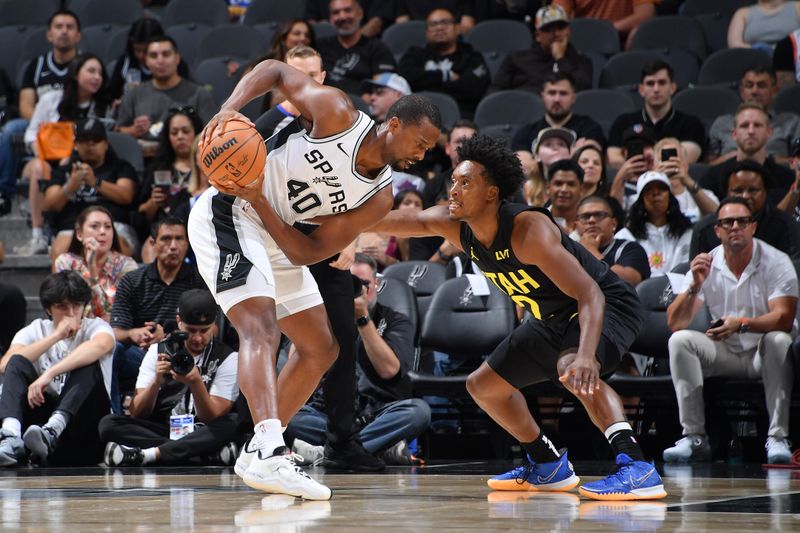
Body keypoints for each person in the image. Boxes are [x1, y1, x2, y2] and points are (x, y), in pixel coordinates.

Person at [187, 56, 441, 499]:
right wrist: (229, 109)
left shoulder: (379, 198)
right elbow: (273, 70)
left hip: (275, 228)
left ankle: (255, 452)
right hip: (228, 211)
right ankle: (271, 450)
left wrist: (263, 203)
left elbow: (305, 251)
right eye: (420, 142)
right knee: (259, 326)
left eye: (429, 150)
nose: (423, 155)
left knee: (321, 348)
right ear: (395, 124)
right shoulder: (337, 112)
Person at [368, 134, 666, 501]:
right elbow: (395, 219)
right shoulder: (454, 224)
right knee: (483, 386)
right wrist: (328, 220)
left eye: (466, 183)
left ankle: (637, 467)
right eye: (453, 182)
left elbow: (589, 293)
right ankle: (547, 463)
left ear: (491, 193)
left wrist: (588, 354)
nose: (454, 190)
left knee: (573, 368)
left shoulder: (528, 231)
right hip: (550, 318)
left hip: (607, 304)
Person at [665, 197, 797, 464]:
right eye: (727, 222)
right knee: (680, 340)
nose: (735, 226)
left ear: (753, 227)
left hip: (764, 353)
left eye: (742, 221)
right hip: (726, 352)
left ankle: (777, 437)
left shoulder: (777, 261)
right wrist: (694, 286)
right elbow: (675, 322)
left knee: (779, 339)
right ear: (717, 230)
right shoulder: (707, 263)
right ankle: (694, 437)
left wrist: (742, 323)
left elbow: (784, 318)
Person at [285, 254, 431, 464]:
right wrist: (317, 316)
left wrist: (362, 318)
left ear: (377, 284)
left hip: (379, 411)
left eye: (364, 283)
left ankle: (327, 453)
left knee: (418, 412)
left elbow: (389, 370)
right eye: (349, 283)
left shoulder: (395, 320)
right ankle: (374, 448)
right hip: (330, 416)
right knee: (291, 417)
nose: (356, 289)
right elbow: (299, 367)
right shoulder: (322, 319)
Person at [99, 289, 240, 467]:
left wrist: (196, 382)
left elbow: (211, 418)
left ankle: (151, 454)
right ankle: (203, 455)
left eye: (204, 330)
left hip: (202, 429)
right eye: (191, 330)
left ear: (214, 326)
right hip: (166, 429)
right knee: (108, 424)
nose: (197, 338)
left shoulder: (227, 357)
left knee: (232, 423)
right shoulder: (158, 351)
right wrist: (156, 382)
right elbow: (137, 413)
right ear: (179, 322)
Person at [0, 271, 115, 467]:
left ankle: (53, 431)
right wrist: (55, 336)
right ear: (48, 309)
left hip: (83, 428)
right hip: (36, 433)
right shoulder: (36, 330)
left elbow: (101, 346)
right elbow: (6, 364)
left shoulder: (96, 327)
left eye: (76, 306)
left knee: (87, 361)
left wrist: (49, 374)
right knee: (18, 361)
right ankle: (11, 437)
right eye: (62, 306)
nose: (70, 313)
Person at [17, 54, 115, 257]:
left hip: (83, 162)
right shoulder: (50, 100)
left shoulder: (104, 106)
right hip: (47, 160)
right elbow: (30, 133)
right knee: (38, 167)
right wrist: (46, 154)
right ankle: (38, 235)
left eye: (100, 73)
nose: (96, 77)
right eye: (91, 71)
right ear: (76, 73)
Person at [110, 217, 205, 413]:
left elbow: (211, 329)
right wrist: (134, 334)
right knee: (112, 349)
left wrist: (166, 338)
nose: (173, 246)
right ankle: (116, 413)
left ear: (187, 244)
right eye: (166, 239)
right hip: (140, 355)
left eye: (179, 239)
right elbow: (116, 331)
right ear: (152, 244)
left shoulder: (199, 279)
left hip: (186, 353)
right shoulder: (132, 280)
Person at [0, 9, 81, 213]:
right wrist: (46, 125)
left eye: (69, 27)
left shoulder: (84, 65)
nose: (64, 32)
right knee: (10, 129)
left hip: (73, 126)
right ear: (49, 34)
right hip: (41, 122)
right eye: (59, 27)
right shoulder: (36, 66)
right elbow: (25, 105)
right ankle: (4, 191)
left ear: (78, 36)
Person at [42, 119, 139, 260]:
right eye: (84, 140)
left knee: (117, 248)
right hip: (73, 227)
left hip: (113, 225)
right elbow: (50, 205)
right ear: (76, 145)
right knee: (60, 253)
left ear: (106, 144)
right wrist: (71, 185)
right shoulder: (63, 172)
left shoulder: (120, 167)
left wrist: (95, 182)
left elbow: (126, 196)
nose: (90, 144)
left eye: (96, 139)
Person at [115, 35, 215, 156]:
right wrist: (133, 130)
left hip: (188, 161)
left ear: (177, 58)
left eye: (166, 54)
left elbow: (210, 136)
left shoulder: (199, 94)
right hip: (145, 162)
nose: (160, 60)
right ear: (146, 61)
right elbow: (118, 133)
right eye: (153, 56)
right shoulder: (133, 95)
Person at [690, 159, 800, 260]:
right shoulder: (704, 229)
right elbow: (693, 274)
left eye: (753, 190)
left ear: (765, 192)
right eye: (738, 190)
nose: (745, 196)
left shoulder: (785, 225)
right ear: (727, 193)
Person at [607, 60, 705, 167]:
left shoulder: (690, 124)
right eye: (650, 83)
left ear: (672, 88)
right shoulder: (623, 122)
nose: (656, 89)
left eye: (662, 82)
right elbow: (613, 159)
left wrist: (638, 161)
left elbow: (686, 157)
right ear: (641, 89)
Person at [397, 8, 490, 117]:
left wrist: (425, 83)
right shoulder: (415, 54)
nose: (439, 27)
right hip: (417, 116)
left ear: (457, 28)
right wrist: (445, 76)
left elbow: (472, 89)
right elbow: (404, 79)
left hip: (461, 116)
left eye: (445, 22)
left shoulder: (472, 56)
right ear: (426, 32)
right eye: (433, 24)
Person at [699, 103, 795, 208]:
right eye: (744, 126)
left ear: (769, 132)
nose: (751, 131)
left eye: (757, 125)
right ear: (734, 134)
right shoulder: (712, 177)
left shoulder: (787, 178)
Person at [136, 106, 204, 251]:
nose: (180, 136)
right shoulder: (158, 168)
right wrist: (153, 203)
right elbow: (141, 214)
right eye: (174, 132)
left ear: (196, 133)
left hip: (200, 230)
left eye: (185, 131)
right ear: (168, 137)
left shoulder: (207, 167)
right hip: (164, 231)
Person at [53, 206, 138, 321]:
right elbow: (69, 310)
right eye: (94, 226)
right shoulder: (66, 263)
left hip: (113, 334)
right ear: (79, 234)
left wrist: (92, 269)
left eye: (108, 227)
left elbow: (114, 316)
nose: (103, 232)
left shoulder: (126, 266)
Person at [489, 5, 592, 95]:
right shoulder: (517, 59)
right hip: (524, 113)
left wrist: (560, 59)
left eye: (561, 27)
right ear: (537, 36)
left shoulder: (581, 61)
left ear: (568, 31)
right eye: (549, 29)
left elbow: (582, 90)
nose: (556, 34)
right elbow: (494, 92)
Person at [707, 66, 800, 165]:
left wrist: (765, 158)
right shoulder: (722, 123)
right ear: (742, 91)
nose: (754, 91)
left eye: (761, 86)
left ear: (774, 91)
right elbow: (708, 166)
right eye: (749, 86)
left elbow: (798, 163)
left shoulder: (791, 122)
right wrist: (733, 157)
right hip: (729, 175)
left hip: (775, 177)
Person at [512, 72, 605, 166]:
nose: (557, 99)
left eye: (563, 93)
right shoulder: (525, 133)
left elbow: (589, 163)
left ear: (573, 97)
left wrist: (542, 160)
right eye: (552, 93)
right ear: (543, 96)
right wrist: (573, 155)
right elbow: (524, 168)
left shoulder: (590, 128)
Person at [616, 171, 693, 277]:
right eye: (648, 189)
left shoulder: (685, 231)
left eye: (661, 188)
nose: (656, 193)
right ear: (640, 199)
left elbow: (687, 270)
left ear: (670, 196)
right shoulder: (626, 235)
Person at [316, 0, 396, 94]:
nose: (342, 17)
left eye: (348, 10)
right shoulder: (319, 47)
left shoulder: (377, 48)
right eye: (336, 12)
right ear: (330, 18)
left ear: (360, 13)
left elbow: (382, 90)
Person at [107, 18, 191, 103]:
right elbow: (112, 95)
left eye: (145, 51)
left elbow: (185, 96)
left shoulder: (175, 65)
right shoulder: (125, 61)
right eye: (137, 50)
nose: (141, 56)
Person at [575, 195, 650, 287]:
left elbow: (627, 281)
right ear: (576, 225)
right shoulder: (568, 250)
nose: (592, 220)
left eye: (599, 215)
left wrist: (592, 251)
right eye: (585, 217)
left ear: (614, 223)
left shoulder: (630, 248)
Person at [255, 46, 328, 139]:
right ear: (284, 78)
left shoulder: (338, 114)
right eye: (297, 75)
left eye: (312, 75)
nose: (306, 82)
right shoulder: (265, 128)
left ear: (322, 77)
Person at [653, 137, 719, 223]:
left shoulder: (705, 194)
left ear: (686, 165)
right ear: (654, 167)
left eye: (676, 158)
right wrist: (655, 180)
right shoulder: (643, 197)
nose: (670, 163)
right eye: (664, 159)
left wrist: (688, 181)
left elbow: (718, 217)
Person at [553, 0, 657, 49]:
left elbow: (645, 15)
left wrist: (606, 30)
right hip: (584, 40)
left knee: (638, 32)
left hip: (621, 39)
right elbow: (556, 15)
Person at [609, 124, 656, 211]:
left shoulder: (662, 177)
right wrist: (620, 178)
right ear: (624, 152)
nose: (639, 151)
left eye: (645, 146)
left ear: (653, 150)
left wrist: (655, 170)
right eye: (632, 146)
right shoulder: (614, 184)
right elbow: (613, 212)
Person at [522, 127, 574, 206]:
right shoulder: (528, 187)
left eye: (561, 144)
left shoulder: (580, 184)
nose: (555, 147)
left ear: (569, 155)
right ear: (537, 156)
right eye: (548, 144)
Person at [727, 0, 800, 51]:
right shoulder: (743, 13)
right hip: (756, 60)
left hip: (792, 59)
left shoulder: (797, 6)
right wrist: (758, 50)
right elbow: (734, 44)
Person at [546, 158, 583, 234]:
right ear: (548, 187)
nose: (564, 190)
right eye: (558, 184)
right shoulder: (536, 221)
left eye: (571, 184)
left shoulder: (591, 225)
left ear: (581, 189)